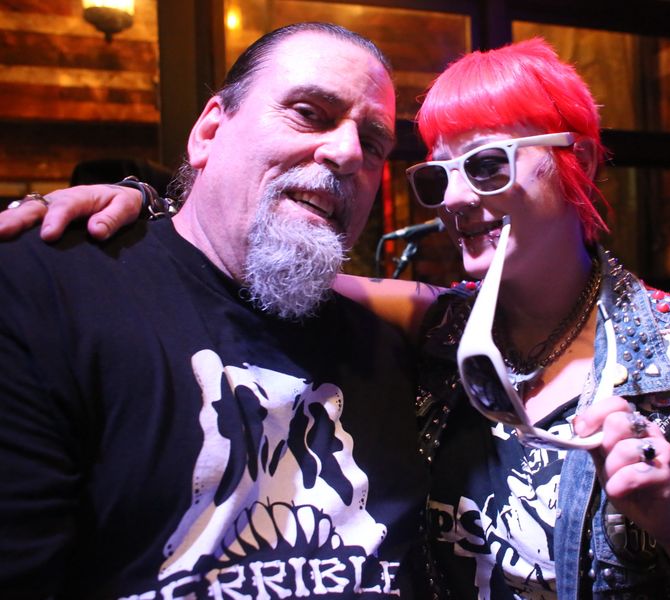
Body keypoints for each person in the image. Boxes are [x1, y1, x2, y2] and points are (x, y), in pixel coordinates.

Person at [1, 39, 670, 599]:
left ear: (581, 164)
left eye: (487, 165)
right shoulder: (439, 327)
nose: (453, 199)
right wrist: (143, 207)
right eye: (436, 176)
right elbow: (237, 255)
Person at [0, 23, 430, 598]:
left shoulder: (399, 352)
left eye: (374, 144)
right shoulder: (45, 296)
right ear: (208, 132)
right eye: (309, 113)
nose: (349, 153)